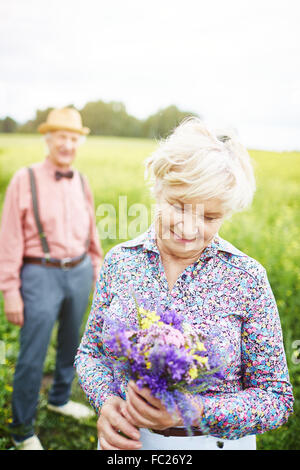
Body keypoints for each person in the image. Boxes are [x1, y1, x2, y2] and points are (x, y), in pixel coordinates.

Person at [75, 118, 294, 450]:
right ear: (158, 188)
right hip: (128, 445)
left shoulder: (246, 278)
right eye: (178, 206)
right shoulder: (120, 262)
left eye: (209, 217)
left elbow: (276, 399)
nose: (190, 229)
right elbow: (90, 354)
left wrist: (193, 412)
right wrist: (106, 402)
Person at [0, 107, 103, 450]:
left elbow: (90, 230)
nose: (67, 144)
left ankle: (60, 397)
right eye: (61, 136)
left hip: (78, 270)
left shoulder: (83, 181)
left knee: (73, 343)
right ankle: (22, 432)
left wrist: (96, 265)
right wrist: (10, 290)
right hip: (39, 273)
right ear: (48, 139)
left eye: (73, 138)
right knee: (33, 353)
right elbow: (10, 238)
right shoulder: (24, 178)